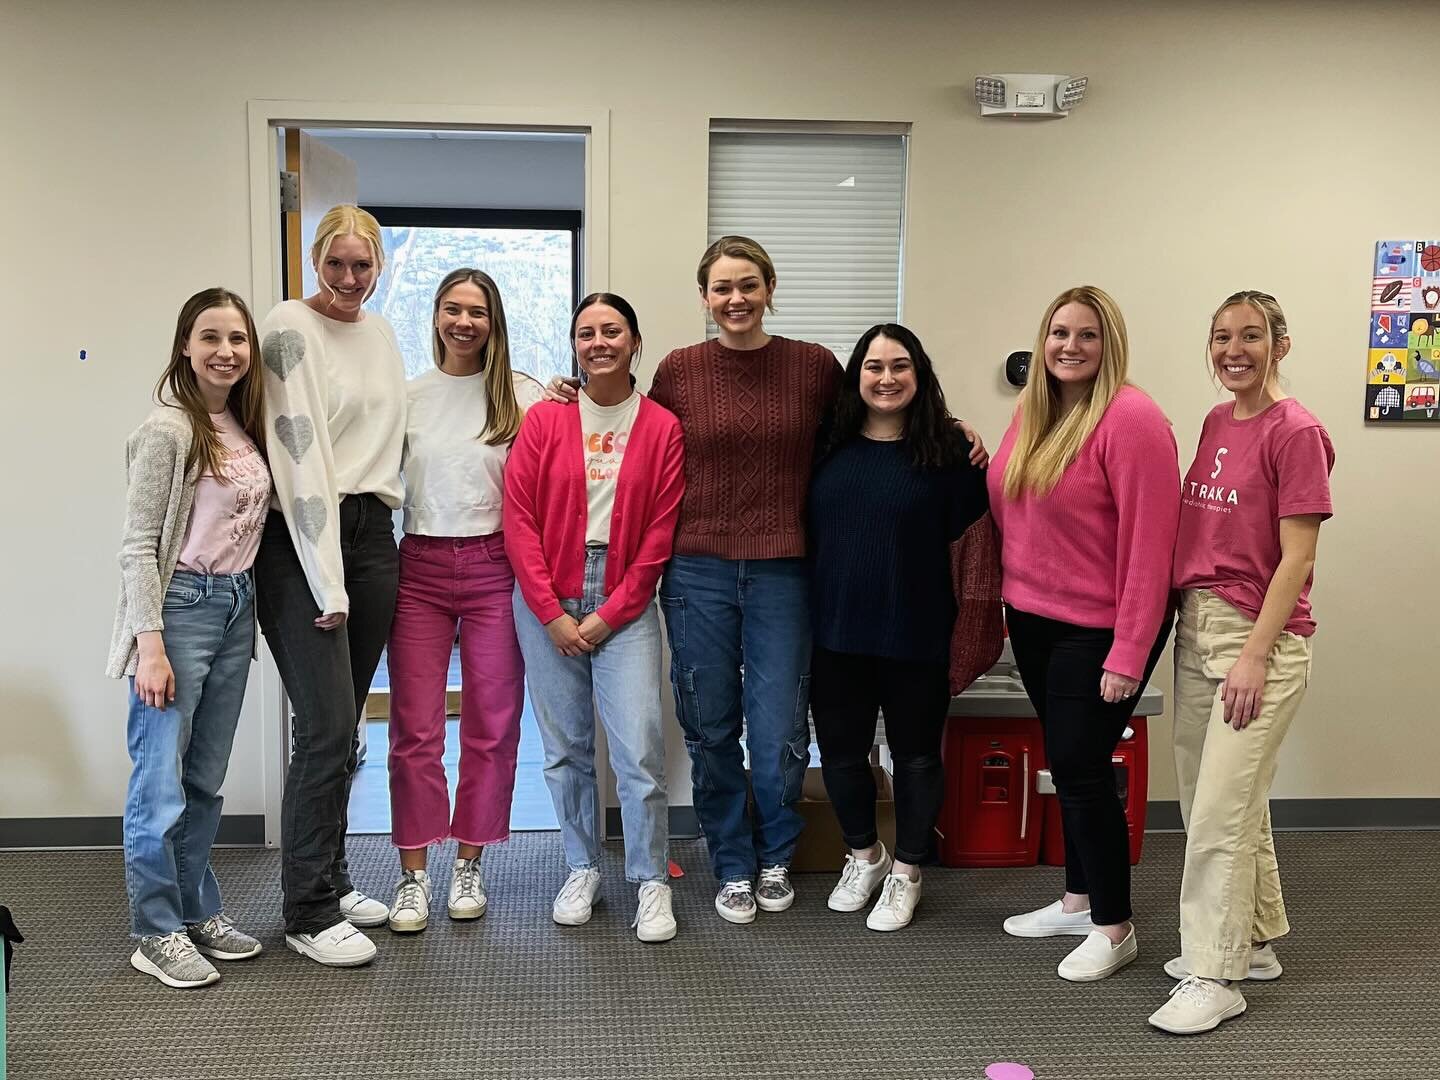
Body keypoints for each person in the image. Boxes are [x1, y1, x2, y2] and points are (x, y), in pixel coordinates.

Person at [545, 237, 987, 923]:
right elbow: (632, 425)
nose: (735, 299)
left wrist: (951, 427)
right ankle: (731, 863)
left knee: (780, 727)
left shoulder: (812, 367)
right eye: (721, 288)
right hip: (697, 573)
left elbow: (879, 407)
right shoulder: (681, 371)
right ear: (703, 298)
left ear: (770, 287)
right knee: (710, 725)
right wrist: (569, 391)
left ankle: (777, 852)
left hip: (786, 571)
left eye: (748, 285)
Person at [1147, 291, 1333, 1034]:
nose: (1234, 350)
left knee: (1221, 815)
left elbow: (1299, 557)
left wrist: (1254, 655)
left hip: (1259, 641)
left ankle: (1214, 974)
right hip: (1198, 629)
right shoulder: (1218, 420)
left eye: (1251, 336)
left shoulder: (1299, 432)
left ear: (1281, 344)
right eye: (1222, 337)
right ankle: (1251, 943)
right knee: (1214, 805)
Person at [990, 285, 1179, 981]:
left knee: (1080, 769)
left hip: (1101, 628)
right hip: (1036, 618)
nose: (1070, 346)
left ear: (1110, 345)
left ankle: (1114, 924)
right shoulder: (1036, 409)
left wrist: (1129, 652)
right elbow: (1012, 499)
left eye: (1087, 335)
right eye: (1059, 333)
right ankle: (1077, 901)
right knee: (1069, 764)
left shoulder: (1132, 419)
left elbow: (1152, 549)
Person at [505, 293, 685, 942]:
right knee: (565, 750)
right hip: (545, 598)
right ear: (574, 344)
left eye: (612, 330)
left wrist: (612, 614)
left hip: (624, 602)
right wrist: (551, 612)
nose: (599, 341)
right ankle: (581, 867)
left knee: (638, 747)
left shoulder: (661, 426)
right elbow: (518, 519)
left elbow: (659, 533)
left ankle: (650, 882)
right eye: (586, 332)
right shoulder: (546, 420)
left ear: (636, 342)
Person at [255, 205, 406, 967]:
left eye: (363, 266)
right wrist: (328, 580)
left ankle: (334, 879)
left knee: (344, 730)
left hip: (373, 535)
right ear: (315, 259)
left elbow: (392, 430)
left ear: (379, 265)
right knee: (322, 728)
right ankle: (307, 912)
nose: (349, 280)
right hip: (302, 537)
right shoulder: (287, 326)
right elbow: (299, 456)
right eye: (336, 264)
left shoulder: (378, 331)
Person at [107, 287, 271, 987]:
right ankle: (155, 928)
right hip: (179, 610)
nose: (225, 352)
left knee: (204, 781)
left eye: (237, 339)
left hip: (236, 608)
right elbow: (138, 544)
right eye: (211, 338)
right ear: (185, 346)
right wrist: (151, 644)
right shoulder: (168, 430)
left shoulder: (239, 423)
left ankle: (196, 909)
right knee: (159, 786)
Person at [808, 323, 993, 932]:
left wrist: (973, 637)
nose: (886, 379)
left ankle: (908, 871)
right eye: (874, 367)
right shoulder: (825, 448)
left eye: (900, 367)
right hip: (836, 635)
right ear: (855, 376)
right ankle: (864, 854)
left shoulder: (951, 455)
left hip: (918, 635)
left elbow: (978, 555)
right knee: (839, 754)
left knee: (915, 759)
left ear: (920, 376)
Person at [384, 269, 544, 933]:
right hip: (418, 565)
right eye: (453, 308)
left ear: (493, 321)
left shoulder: (523, 397)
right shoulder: (407, 397)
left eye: (477, 311)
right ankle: (413, 875)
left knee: (493, 725)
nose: (464, 322)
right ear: (437, 316)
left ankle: (469, 862)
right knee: (414, 730)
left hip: (493, 568)